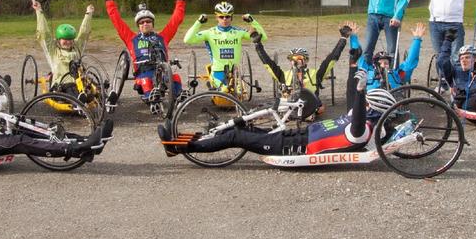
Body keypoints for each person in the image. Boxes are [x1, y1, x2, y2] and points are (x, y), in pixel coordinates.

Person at [159, 68, 395, 158]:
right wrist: (355, 70)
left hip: (290, 148)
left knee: (235, 136)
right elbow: (356, 106)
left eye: (365, 105)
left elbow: (358, 121)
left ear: (372, 111)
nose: (359, 106)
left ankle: (179, 148)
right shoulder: (362, 118)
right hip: (292, 136)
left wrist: (363, 92)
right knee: (240, 127)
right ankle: (192, 139)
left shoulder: (362, 130)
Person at [103, 0, 187, 110]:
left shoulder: (162, 37)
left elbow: (175, 20)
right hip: (143, 72)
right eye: (142, 22)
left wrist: (181, 0)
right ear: (138, 25)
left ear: (152, 23)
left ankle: (179, 97)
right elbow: (117, 21)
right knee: (146, 80)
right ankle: (152, 100)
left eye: (148, 21)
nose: (145, 24)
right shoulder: (132, 39)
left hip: (161, 71)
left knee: (175, 77)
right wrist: (109, 1)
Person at [252, 22, 353, 111]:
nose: (295, 61)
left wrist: (343, 39)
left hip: (310, 108)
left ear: (306, 60)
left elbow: (331, 59)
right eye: (292, 59)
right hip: (290, 109)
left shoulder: (315, 74)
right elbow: (268, 63)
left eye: (299, 58)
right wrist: (258, 45)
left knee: (321, 108)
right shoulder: (284, 75)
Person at [182, 1, 266, 92]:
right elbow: (187, 39)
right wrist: (198, 22)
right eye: (221, 17)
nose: (224, 19)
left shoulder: (238, 32)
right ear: (216, 17)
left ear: (231, 17)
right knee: (225, 91)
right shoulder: (209, 33)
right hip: (217, 73)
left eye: (227, 16)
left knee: (239, 92)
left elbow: (263, 38)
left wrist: (252, 21)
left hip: (235, 72)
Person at [31, 0, 94, 97]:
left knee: (93, 85)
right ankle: (79, 102)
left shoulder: (76, 48)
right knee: (72, 88)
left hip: (80, 82)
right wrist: (39, 10)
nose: (68, 42)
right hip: (62, 85)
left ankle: (106, 98)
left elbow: (84, 33)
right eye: (64, 39)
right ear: (58, 40)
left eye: (70, 39)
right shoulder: (53, 50)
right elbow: (44, 33)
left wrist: (88, 14)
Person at [349, 22, 427, 90]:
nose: (383, 65)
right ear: (374, 64)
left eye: (386, 63)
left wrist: (417, 39)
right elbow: (357, 55)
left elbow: (410, 63)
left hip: (392, 103)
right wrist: (353, 37)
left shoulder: (396, 74)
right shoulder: (368, 73)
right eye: (380, 63)